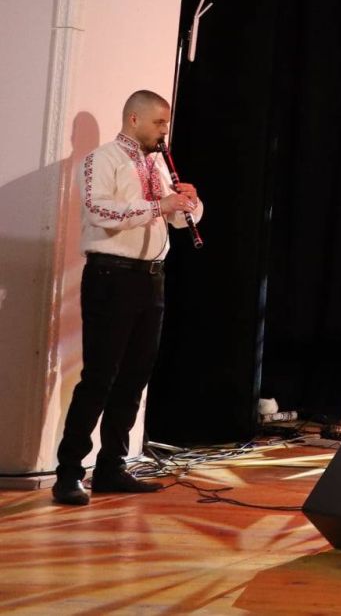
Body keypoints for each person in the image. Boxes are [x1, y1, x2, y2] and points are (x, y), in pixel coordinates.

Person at [53, 90, 203, 506]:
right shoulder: (101, 160)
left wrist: (190, 203)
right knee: (100, 377)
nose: (163, 131)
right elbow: (100, 212)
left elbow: (178, 219)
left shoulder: (157, 164)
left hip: (151, 279)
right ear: (134, 119)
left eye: (165, 123)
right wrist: (159, 204)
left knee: (135, 377)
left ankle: (111, 467)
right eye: (158, 123)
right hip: (111, 277)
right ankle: (69, 473)